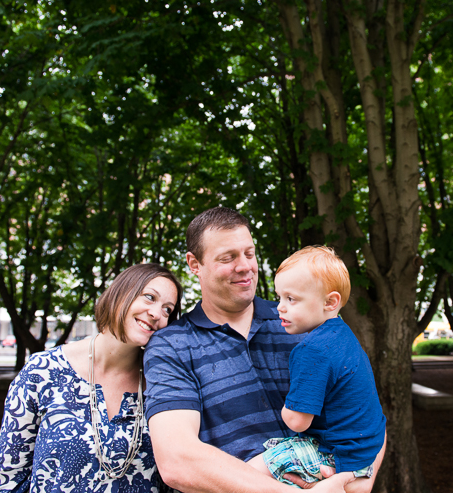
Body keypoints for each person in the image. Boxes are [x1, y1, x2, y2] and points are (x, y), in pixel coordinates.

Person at [144, 207, 386, 493]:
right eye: (228, 257)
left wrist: (358, 482)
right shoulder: (172, 345)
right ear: (194, 264)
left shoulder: (306, 323)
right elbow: (178, 462)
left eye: (249, 253)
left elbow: (363, 409)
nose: (245, 266)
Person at [0, 263, 182, 493]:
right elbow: (6, 477)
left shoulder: (163, 382)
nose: (157, 314)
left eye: (167, 309)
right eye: (149, 297)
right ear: (120, 294)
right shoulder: (42, 372)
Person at [247, 246, 386, 486]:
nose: (280, 306)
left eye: (291, 299)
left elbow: (298, 421)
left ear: (330, 302)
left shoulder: (312, 350)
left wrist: (286, 410)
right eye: (280, 297)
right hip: (365, 450)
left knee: (248, 473)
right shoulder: (343, 334)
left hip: (337, 455)